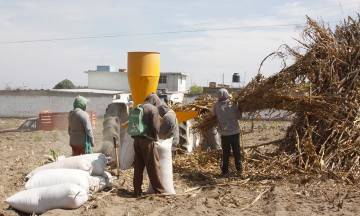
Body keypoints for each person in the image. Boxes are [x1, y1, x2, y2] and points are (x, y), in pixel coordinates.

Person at [132, 93, 165, 197]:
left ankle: (137, 191)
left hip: (136, 140)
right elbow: (155, 127)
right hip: (147, 141)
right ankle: (159, 190)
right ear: (155, 101)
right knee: (153, 166)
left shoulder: (139, 106)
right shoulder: (153, 109)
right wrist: (156, 138)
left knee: (138, 166)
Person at [213, 88, 243, 177]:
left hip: (224, 134)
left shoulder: (216, 106)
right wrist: (239, 108)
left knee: (225, 152)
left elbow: (213, 114)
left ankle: (225, 171)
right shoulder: (233, 104)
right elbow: (239, 116)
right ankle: (239, 169)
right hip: (235, 132)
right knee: (236, 151)